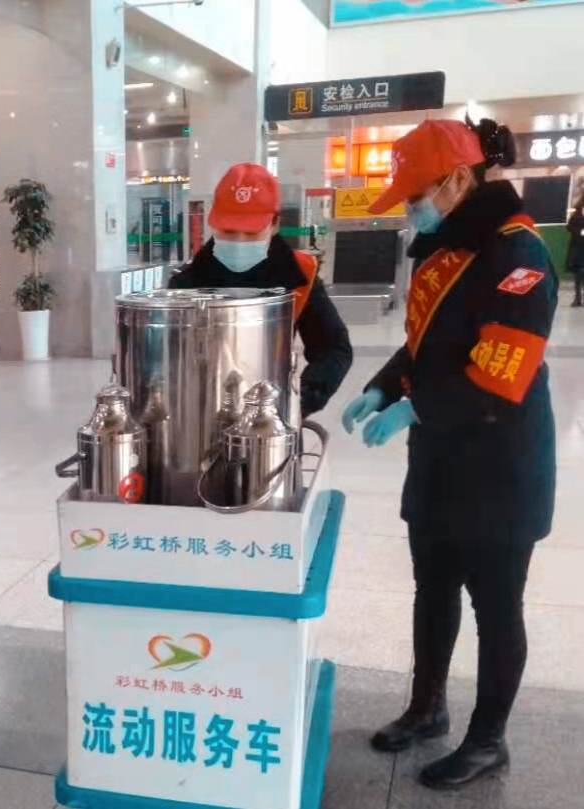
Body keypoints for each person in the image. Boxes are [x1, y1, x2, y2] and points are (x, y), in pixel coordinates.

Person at [341, 118, 557, 790]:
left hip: (500, 466)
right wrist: (382, 388)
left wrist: (414, 408)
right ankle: (427, 707)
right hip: (438, 458)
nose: (411, 209)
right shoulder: (447, 248)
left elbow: (501, 372)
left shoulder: (517, 254)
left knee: (497, 607)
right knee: (432, 587)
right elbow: (426, 343)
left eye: (416, 195)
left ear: (458, 179)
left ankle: (487, 740)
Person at [169, 163, 353, 417]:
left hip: (270, 417)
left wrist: (297, 404)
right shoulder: (185, 284)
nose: (239, 241)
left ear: (275, 224)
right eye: (228, 231)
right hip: (200, 416)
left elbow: (333, 349)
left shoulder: (298, 276)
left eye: (251, 232)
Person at [566, 200, 584, 307]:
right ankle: (578, 298)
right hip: (578, 248)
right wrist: (581, 232)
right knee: (578, 273)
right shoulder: (576, 215)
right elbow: (569, 227)